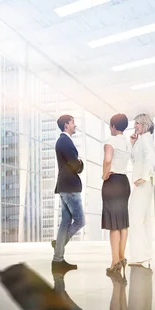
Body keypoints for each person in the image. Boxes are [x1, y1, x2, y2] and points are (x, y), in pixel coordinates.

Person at [52, 115, 85, 272]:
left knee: (65, 221)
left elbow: (73, 162)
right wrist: (80, 163)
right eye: (73, 122)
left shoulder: (62, 141)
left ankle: (58, 260)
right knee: (80, 221)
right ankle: (60, 243)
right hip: (70, 187)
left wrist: (78, 162)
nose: (75, 124)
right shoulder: (65, 141)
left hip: (64, 186)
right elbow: (75, 164)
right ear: (66, 125)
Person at [102, 113, 131, 273]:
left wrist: (104, 174)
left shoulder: (110, 141)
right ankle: (121, 257)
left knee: (114, 224)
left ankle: (114, 262)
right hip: (124, 183)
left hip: (112, 183)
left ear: (113, 126)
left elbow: (108, 159)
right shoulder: (127, 143)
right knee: (123, 223)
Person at [128, 113, 155, 267]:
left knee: (135, 217)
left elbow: (150, 157)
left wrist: (144, 177)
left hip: (143, 183)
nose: (135, 126)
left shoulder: (146, 139)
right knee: (142, 218)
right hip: (143, 183)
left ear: (144, 124)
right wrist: (132, 144)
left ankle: (139, 255)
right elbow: (136, 160)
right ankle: (144, 253)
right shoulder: (141, 140)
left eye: (137, 123)